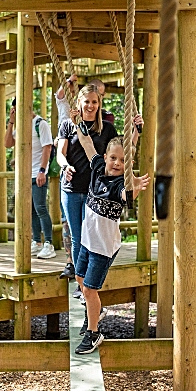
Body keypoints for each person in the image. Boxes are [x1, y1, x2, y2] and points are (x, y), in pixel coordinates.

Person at [57, 84, 142, 298]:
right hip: (72, 187)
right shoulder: (69, 125)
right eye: (87, 101)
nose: (90, 105)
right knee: (78, 237)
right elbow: (61, 153)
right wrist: (65, 166)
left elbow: (121, 151)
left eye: (95, 102)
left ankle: (86, 282)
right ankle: (81, 281)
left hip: (95, 190)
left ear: (99, 104)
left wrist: (136, 131)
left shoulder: (106, 128)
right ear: (79, 103)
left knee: (90, 236)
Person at [72, 133, 150, 354]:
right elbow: (87, 143)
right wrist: (77, 123)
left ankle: (94, 333)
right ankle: (97, 309)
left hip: (103, 248)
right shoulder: (97, 168)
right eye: (114, 158)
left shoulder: (118, 185)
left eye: (123, 161)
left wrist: (134, 184)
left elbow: (127, 195)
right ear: (105, 157)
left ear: (128, 165)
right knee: (79, 278)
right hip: (87, 241)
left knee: (88, 290)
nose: (117, 163)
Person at [5, 98, 56, 259]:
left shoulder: (40, 123)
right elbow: (7, 144)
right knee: (31, 210)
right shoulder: (19, 125)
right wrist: (11, 122)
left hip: (38, 173)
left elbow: (47, 147)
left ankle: (49, 243)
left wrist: (42, 170)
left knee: (40, 207)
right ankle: (37, 241)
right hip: (24, 175)